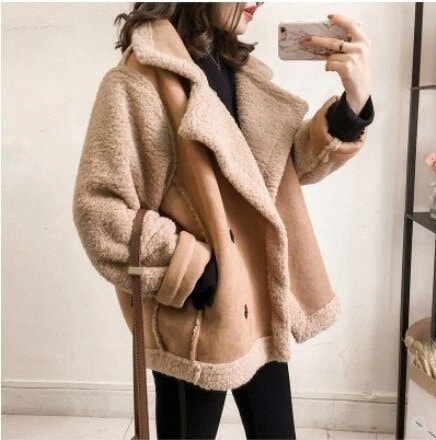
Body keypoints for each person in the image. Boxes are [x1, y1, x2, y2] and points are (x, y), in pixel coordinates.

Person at [72, 3, 374, 439]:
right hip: (197, 314)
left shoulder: (236, 70)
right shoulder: (138, 80)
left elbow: (278, 170)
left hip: (262, 296)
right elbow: (99, 209)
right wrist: (193, 270)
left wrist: (352, 105)